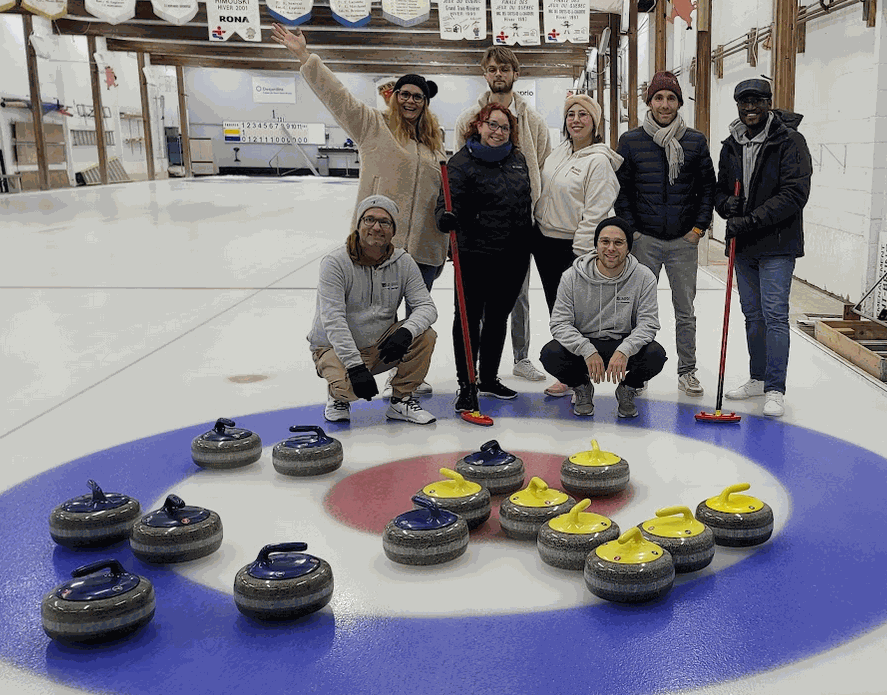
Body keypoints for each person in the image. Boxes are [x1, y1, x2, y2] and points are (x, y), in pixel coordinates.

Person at [271, 23, 442, 396]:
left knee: (413, 321)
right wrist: (305, 56)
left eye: (419, 97)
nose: (412, 101)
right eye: (406, 94)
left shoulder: (432, 146)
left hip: (425, 251)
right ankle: (349, 367)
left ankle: (406, 382)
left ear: (425, 104)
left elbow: (442, 194)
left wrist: (447, 240)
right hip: (375, 244)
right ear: (394, 96)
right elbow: (338, 97)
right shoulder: (373, 126)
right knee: (364, 315)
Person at [715, 78, 812, 418]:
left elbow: (794, 195)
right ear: (737, 105)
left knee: (774, 316)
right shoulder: (731, 144)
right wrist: (727, 204)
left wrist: (750, 220)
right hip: (744, 247)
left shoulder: (790, 141)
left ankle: (775, 387)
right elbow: (720, 190)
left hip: (777, 245)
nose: (750, 108)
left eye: (757, 101)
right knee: (752, 316)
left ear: (769, 102)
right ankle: (757, 378)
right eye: (744, 102)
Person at [615, 71, 715, 398]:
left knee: (685, 310)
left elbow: (707, 188)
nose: (665, 104)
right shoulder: (630, 142)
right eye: (659, 97)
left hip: (683, 242)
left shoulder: (695, 141)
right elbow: (622, 192)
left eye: (671, 98)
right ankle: (639, 372)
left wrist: (698, 229)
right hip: (646, 242)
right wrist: (634, 233)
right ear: (649, 102)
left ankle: (687, 371)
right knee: (640, 310)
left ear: (679, 102)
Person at [454, 46, 551, 383]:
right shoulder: (467, 119)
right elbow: (459, 171)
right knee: (477, 301)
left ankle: (521, 358)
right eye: (492, 69)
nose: (498, 74)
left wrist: (534, 209)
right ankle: (476, 364)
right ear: (485, 73)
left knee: (519, 295)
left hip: (519, 225)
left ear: (515, 74)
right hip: (480, 229)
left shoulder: (533, 121)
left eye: (504, 69)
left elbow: (541, 163)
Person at [307, 195, 438, 425]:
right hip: (335, 347)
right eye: (369, 219)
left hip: (380, 346)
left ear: (393, 230)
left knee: (425, 335)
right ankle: (337, 396)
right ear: (358, 225)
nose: (376, 227)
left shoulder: (403, 262)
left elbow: (426, 307)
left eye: (384, 222)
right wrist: (355, 366)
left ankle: (401, 400)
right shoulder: (335, 263)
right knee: (348, 390)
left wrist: (406, 332)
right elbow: (333, 320)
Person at [437, 104, 534, 412]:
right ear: (478, 125)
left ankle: (488, 378)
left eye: (504, 127)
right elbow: (445, 202)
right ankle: (467, 384)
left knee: (497, 318)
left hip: (513, 255)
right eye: (492, 124)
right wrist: (445, 217)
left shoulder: (517, 159)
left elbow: (525, 203)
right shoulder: (461, 162)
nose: (498, 131)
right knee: (466, 320)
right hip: (475, 255)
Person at [534, 93, 623, 397]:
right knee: (556, 313)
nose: (576, 120)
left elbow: (596, 212)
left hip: (572, 249)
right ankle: (567, 372)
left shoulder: (599, 162)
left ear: (595, 123)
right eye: (571, 114)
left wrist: (582, 255)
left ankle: (579, 376)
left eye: (583, 114)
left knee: (575, 317)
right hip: (545, 243)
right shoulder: (558, 154)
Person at [540, 217, 667, 419]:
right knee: (550, 354)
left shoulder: (644, 277)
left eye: (618, 242)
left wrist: (626, 349)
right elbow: (559, 323)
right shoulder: (571, 276)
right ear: (596, 244)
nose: (611, 248)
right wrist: (586, 349)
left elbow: (648, 323)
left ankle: (627, 389)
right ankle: (582, 388)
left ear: (628, 247)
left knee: (656, 355)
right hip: (586, 344)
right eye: (605, 241)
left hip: (623, 343)